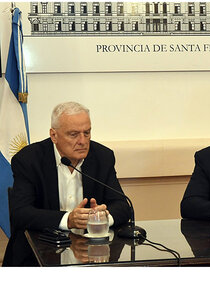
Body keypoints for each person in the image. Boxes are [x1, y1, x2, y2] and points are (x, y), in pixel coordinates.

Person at [3, 102, 131, 266]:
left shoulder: (102, 157)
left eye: (87, 133)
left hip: (91, 256)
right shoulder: (29, 160)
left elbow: (122, 205)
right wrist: (67, 220)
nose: (82, 141)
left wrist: (102, 217)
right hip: (37, 255)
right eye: (73, 134)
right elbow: (21, 213)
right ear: (54, 135)